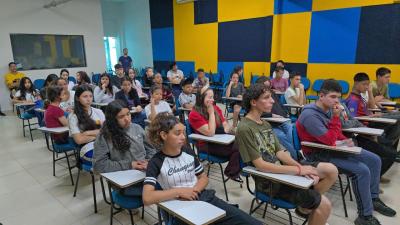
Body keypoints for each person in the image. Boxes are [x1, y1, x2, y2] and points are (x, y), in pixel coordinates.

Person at [296, 79, 396, 225]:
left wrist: (344, 139)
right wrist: (336, 118)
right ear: (321, 96)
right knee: (362, 170)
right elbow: (329, 139)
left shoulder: (329, 109)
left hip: (332, 148)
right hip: (317, 153)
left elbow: (334, 134)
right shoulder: (310, 115)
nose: (337, 101)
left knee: (374, 160)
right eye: (332, 97)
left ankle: (373, 198)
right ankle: (364, 216)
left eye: (338, 97)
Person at [237, 83, 336, 224]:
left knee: (330, 170)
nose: (272, 100)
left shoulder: (264, 124)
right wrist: (299, 170)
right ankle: (309, 205)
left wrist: (301, 169)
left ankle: (306, 207)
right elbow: (260, 165)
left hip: (282, 173)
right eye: (267, 97)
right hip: (270, 183)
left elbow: (280, 152)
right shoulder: (244, 128)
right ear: (254, 102)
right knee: (324, 205)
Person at [143, 112, 263, 225]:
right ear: (164, 135)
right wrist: (180, 192)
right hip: (180, 209)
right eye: (177, 133)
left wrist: (194, 191)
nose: (183, 137)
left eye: (183, 132)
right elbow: (147, 198)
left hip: (203, 197)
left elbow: (203, 178)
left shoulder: (188, 152)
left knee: (251, 222)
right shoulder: (156, 162)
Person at [93, 100, 156, 197]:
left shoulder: (137, 128)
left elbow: (151, 149)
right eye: (121, 117)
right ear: (112, 119)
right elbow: (99, 165)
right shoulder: (104, 137)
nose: (127, 119)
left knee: (169, 184)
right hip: (125, 184)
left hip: (145, 174)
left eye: (128, 114)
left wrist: (149, 161)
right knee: (161, 190)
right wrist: (131, 164)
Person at [188, 87, 241, 182]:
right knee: (239, 148)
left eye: (213, 97)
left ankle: (233, 170)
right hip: (205, 145)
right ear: (201, 98)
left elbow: (225, 125)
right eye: (210, 97)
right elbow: (210, 132)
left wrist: (230, 126)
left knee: (244, 143)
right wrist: (211, 113)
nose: (212, 100)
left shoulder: (216, 108)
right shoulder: (194, 114)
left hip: (220, 141)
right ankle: (232, 171)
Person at [337, 102, 396, 181]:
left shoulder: (343, 104)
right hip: (348, 141)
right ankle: (375, 178)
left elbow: (353, 119)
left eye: (338, 97)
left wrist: (365, 129)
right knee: (386, 154)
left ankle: (376, 177)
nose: (336, 99)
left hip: (358, 134)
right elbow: (345, 124)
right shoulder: (350, 101)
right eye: (333, 97)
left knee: (389, 148)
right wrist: (357, 123)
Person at [344, 73, 400, 150]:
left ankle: (387, 145)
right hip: (367, 124)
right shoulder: (352, 100)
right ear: (356, 84)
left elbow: (370, 109)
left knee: (397, 120)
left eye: (368, 85)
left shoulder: (360, 96)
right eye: (364, 84)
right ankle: (386, 145)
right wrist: (371, 116)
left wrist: (370, 93)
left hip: (372, 119)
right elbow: (353, 119)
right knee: (398, 118)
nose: (367, 87)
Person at [256, 76, 297, 160]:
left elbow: (280, 105)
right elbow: (255, 113)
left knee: (292, 133)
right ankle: (297, 157)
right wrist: (272, 115)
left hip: (283, 120)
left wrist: (286, 114)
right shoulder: (257, 97)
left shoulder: (272, 93)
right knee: (281, 136)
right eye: (265, 86)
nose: (268, 88)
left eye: (269, 86)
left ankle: (295, 155)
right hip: (271, 124)